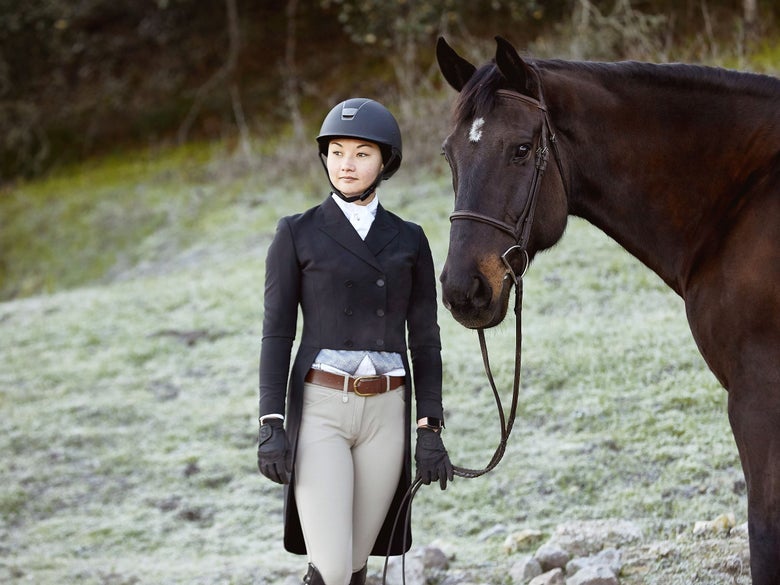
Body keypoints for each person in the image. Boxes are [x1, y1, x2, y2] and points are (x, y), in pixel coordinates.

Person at [256, 97, 454, 585]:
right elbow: (277, 333)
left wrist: (430, 428)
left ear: (385, 161)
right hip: (321, 409)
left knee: (358, 564)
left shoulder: (410, 239)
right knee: (334, 571)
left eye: (362, 153)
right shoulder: (297, 233)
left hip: (387, 415)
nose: (346, 164)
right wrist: (270, 422)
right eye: (337, 151)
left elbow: (426, 340)